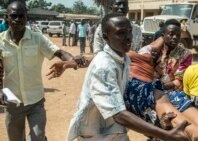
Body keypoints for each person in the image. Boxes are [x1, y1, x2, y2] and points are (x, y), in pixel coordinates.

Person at [48, 13, 189, 141]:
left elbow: (124, 100)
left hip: (114, 131)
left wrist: (156, 120)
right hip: (95, 135)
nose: (128, 37)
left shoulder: (123, 59)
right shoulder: (104, 67)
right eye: (121, 33)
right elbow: (119, 114)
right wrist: (165, 134)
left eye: (129, 32)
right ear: (105, 37)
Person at [0, 1, 74, 141]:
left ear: (27, 17)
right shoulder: (0, 41)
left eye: (21, 16)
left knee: (37, 137)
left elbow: (59, 52)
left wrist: (71, 61)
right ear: (6, 17)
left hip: (36, 101)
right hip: (12, 101)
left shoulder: (37, 38)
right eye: (14, 16)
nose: (18, 20)